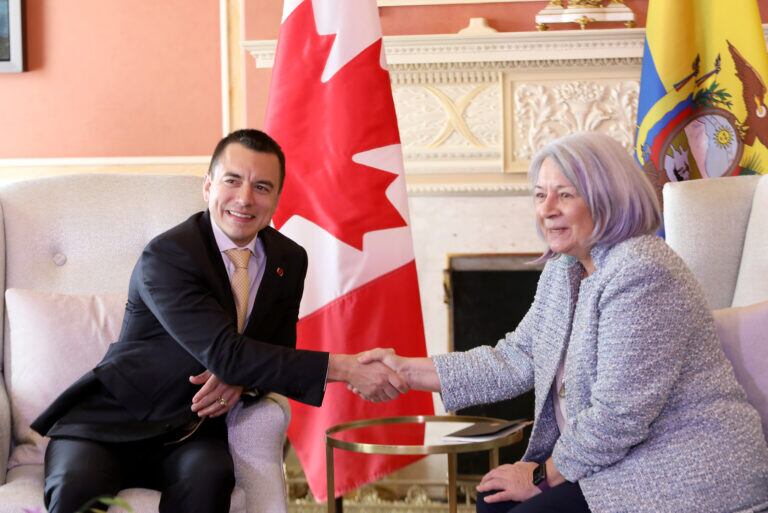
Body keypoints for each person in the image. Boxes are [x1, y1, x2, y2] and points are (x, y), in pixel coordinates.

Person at [357, 132, 768, 513]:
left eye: (564, 195)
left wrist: (537, 474)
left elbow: (618, 415)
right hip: (615, 459)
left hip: (679, 467)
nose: (546, 209)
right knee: (491, 500)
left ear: (607, 198)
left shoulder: (644, 272)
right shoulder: (565, 269)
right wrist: (407, 370)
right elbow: (515, 359)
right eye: (540, 195)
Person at [31, 129, 407, 513]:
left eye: (262, 187)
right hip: (108, 426)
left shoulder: (288, 260)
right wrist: (344, 367)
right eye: (232, 181)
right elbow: (226, 353)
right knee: (75, 494)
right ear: (208, 187)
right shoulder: (168, 255)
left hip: (190, 432)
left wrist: (241, 379)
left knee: (210, 481)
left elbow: (275, 352)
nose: (245, 199)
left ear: (277, 199)